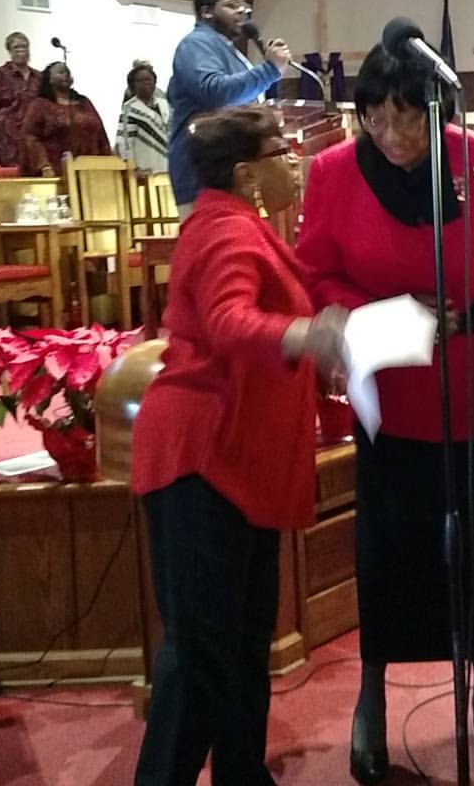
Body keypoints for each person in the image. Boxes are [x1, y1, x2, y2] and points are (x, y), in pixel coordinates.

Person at [295, 46, 474, 786]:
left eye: (407, 116)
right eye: (376, 116)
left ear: (438, 111)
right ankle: (370, 697)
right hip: (391, 383)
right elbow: (315, 271)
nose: (392, 134)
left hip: (473, 387)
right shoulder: (335, 171)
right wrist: (376, 311)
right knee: (389, 552)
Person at [130, 106, 347, 786]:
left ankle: (242, 774)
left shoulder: (241, 224)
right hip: (205, 460)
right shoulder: (224, 229)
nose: (295, 163)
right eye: (283, 151)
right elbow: (228, 322)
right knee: (201, 655)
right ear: (248, 172)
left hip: (236, 459)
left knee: (244, 642)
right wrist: (302, 337)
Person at [167, 0, 292, 219]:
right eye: (232, 6)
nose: (243, 11)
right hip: (204, 175)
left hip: (232, 171)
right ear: (206, 12)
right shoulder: (196, 44)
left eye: (244, 6)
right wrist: (269, 71)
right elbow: (215, 93)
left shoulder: (226, 49)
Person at [21, 61, 111, 176]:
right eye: (60, 72)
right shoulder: (40, 104)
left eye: (68, 72)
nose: (66, 75)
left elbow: (100, 133)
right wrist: (43, 165)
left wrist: (107, 161)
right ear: (49, 79)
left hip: (91, 170)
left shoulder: (84, 102)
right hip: (56, 170)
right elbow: (30, 137)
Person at [0, 31, 40, 167]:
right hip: (6, 141)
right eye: (16, 47)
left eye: (24, 46)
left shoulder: (39, 77)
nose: (21, 51)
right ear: (9, 51)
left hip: (34, 138)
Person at [116, 60, 169, 174]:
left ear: (155, 82)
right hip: (145, 170)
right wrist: (132, 167)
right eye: (140, 81)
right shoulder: (129, 108)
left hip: (169, 167)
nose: (145, 83)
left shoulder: (164, 103)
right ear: (132, 85)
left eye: (148, 80)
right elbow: (124, 142)